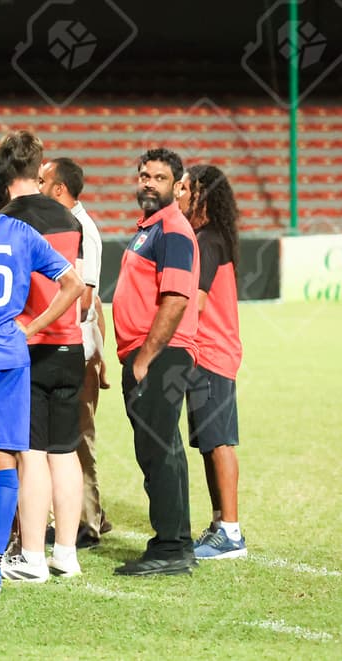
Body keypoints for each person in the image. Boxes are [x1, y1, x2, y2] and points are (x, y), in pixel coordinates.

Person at [0, 150, 83, 593]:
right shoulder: (21, 232)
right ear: (4, 186)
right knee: (6, 455)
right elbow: (74, 285)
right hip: (12, 355)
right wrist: (31, 325)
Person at [0, 130, 85, 583]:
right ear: (40, 166)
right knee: (65, 452)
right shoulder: (70, 220)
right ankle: (66, 553)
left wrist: (29, 325)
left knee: (31, 454)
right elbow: (80, 289)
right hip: (71, 345)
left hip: (29, 347)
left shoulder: (6, 221)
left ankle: (32, 556)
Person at [112, 147, 199, 576]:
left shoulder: (173, 230)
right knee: (166, 449)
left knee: (157, 450)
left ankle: (170, 547)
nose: (148, 182)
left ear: (177, 186)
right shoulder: (150, 228)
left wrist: (145, 357)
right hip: (157, 355)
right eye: (144, 175)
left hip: (162, 356)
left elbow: (177, 298)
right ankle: (176, 541)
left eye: (159, 178)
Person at [38, 157, 112, 547]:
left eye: (42, 181)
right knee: (68, 434)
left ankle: (87, 523)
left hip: (73, 345)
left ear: (59, 188)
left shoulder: (79, 228)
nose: (38, 187)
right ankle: (89, 512)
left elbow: (85, 298)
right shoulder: (69, 224)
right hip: (79, 345)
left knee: (77, 436)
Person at [178, 164, 246, 560]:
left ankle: (232, 532)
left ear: (202, 195)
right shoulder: (210, 237)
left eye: (186, 188)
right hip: (207, 352)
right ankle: (221, 522)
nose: (180, 194)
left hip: (212, 353)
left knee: (218, 440)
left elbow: (196, 303)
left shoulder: (206, 240)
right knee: (207, 440)